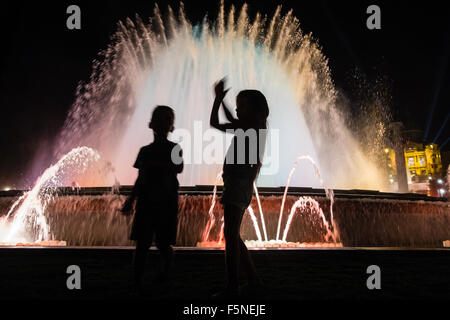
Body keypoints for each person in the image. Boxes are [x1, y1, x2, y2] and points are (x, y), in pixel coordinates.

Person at [210, 78, 269, 298]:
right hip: (238, 185)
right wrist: (220, 100)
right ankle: (253, 281)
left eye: (241, 105)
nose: (237, 109)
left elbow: (218, 121)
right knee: (232, 234)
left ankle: (232, 287)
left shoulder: (250, 127)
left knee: (230, 234)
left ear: (254, 109)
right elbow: (223, 121)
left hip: (238, 185)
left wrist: (218, 99)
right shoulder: (252, 127)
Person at [121, 105, 183, 294]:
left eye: (167, 119)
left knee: (163, 243)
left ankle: (167, 263)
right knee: (142, 243)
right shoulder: (144, 151)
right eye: (159, 118)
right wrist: (131, 200)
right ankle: (137, 280)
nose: (163, 122)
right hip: (147, 202)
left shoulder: (175, 148)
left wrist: (156, 166)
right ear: (151, 124)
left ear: (171, 126)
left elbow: (178, 169)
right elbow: (140, 179)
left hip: (166, 203)